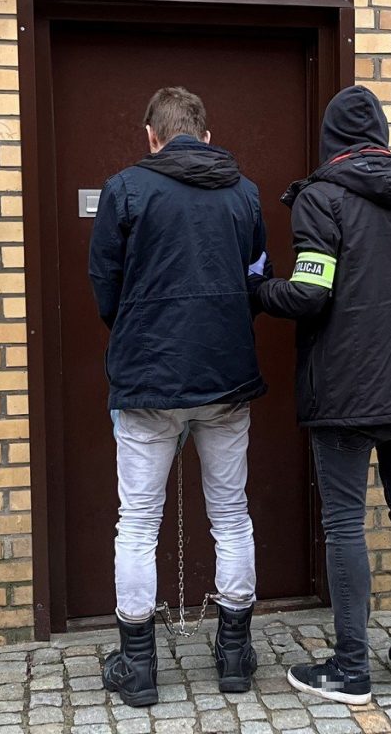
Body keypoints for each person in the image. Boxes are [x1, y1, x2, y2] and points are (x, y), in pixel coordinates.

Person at [250, 85, 391, 705]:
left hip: (345, 390)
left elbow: (310, 292)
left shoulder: (321, 198)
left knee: (345, 522)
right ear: (381, 137)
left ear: (331, 142)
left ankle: (350, 669)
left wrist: (258, 291)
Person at [89, 86, 267, 707]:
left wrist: (136, 330)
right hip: (226, 376)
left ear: (151, 135)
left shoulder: (125, 190)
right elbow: (256, 275)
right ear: (206, 135)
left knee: (138, 522)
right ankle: (235, 655)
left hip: (147, 378)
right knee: (231, 514)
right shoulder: (244, 193)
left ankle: (138, 668)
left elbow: (104, 282)